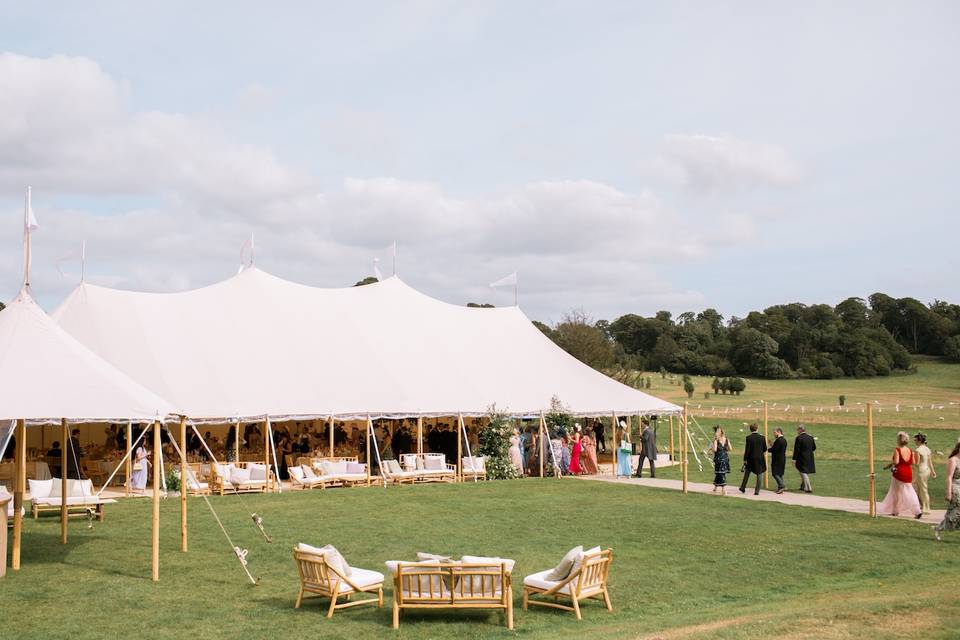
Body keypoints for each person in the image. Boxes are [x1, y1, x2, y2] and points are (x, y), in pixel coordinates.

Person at [878, 431, 922, 518]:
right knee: (910, 490)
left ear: (898, 440)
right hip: (908, 472)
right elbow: (913, 462)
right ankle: (917, 510)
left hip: (899, 472)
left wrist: (889, 465)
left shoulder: (897, 450)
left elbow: (896, 462)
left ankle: (895, 511)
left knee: (895, 492)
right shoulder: (910, 450)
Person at [934, 437, 960, 541]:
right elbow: (949, 477)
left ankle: (939, 527)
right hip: (955, 487)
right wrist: (949, 492)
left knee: (956, 513)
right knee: (956, 511)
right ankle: (939, 527)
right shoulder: (953, 460)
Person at [739, 423, 767, 495]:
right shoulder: (762, 437)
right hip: (760, 458)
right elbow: (765, 448)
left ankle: (743, 487)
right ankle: (757, 491)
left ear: (750, 429)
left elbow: (747, 450)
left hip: (751, 458)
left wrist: (745, 459)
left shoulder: (748, 438)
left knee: (747, 473)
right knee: (759, 474)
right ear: (757, 428)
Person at [913, 432, 936, 515]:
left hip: (921, 471)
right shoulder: (927, 449)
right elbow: (930, 462)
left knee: (923, 490)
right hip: (927, 470)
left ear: (919, 441)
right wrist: (933, 472)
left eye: (915, 440)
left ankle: (926, 508)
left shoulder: (918, 450)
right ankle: (922, 505)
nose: (914, 442)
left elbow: (917, 463)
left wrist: (911, 459)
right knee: (920, 488)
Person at [792, 425, 816, 493]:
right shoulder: (810, 437)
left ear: (800, 430)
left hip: (801, 457)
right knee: (804, 471)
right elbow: (814, 448)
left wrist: (794, 459)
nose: (797, 431)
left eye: (797, 430)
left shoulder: (799, 438)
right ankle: (804, 486)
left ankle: (809, 487)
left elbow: (796, 449)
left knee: (803, 472)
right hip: (810, 457)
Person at [711, 427, 731, 494]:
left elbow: (715, 450)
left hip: (719, 458)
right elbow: (730, 448)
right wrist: (724, 449)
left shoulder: (716, 440)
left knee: (721, 473)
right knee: (719, 473)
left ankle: (723, 489)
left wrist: (713, 444)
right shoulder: (726, 439)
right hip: (725, 458)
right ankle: (715, 487)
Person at [768, 427, 788, 494]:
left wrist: (768, 449)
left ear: (779, 432)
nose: (774, 434)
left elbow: (774, 450)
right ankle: (780, 488)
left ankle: (782, 486)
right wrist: (772, 445)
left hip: (777, 459)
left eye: (775, 433)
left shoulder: (779, 440)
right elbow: (777, 449)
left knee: (775, 473)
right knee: (780, 473)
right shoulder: (784, 440)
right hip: (782, 459)